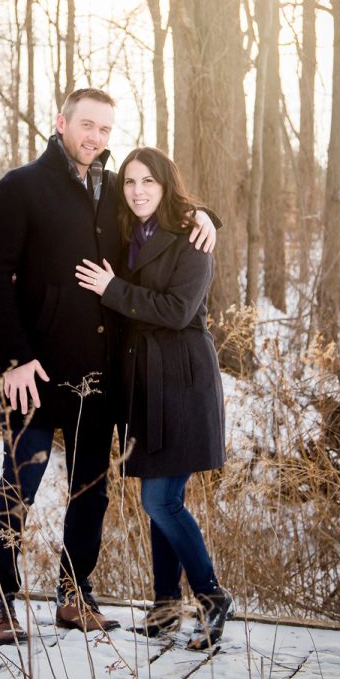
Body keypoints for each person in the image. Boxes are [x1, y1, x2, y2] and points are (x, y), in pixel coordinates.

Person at [0, 90, 219, 645]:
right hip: (33, 377)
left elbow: (160, 208)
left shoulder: (112, 189)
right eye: (87, 125)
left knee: (91, 492)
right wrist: (13, 358)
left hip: (98, 379)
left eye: (105, 129)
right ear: (61, 122)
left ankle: (72, 595)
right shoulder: (21, 187)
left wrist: (207, 217)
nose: (96, 138)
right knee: (20, 485)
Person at [75, 146, 232, 650]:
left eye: (149, 182)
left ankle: (210, 597)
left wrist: (113, 290)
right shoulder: (127, 235)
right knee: (163, 500)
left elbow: (179, 310)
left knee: (159, 499)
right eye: (130, 182)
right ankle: (166, 605)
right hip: (141, 384)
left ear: (166, 185)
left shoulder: (192, 236)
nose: (139, 191)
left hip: (182, 382)